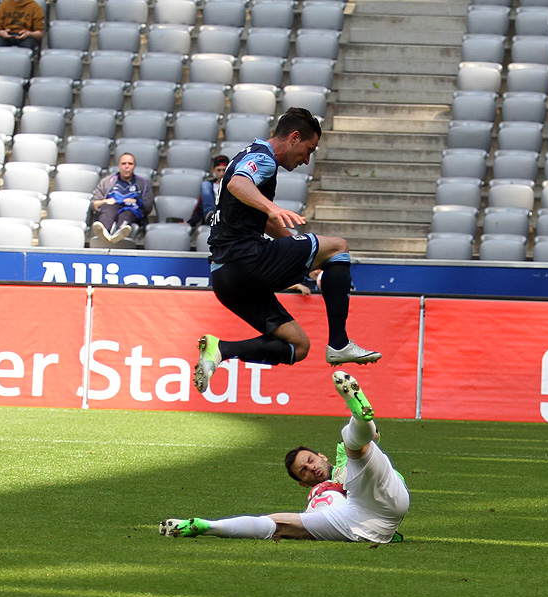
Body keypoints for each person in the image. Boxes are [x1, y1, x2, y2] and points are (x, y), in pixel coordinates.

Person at [193, 107, 380, 394]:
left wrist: (307, 259)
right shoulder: (264, 159)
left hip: (224, 278)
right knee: (338, 246)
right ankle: (340, 343)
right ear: (294, 137)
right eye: (308, 150)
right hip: (246, 261)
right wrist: (272, 206)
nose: (306, 159)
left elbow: (265, 219)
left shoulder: (247, 155)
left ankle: (221, 350)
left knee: (298, 346)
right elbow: (237, 183)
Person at [160, 371, 410, 543]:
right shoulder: (318, 495)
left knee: (355, 447)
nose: (311, 468)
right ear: (302, 483)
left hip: (379, 498)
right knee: (276, 523)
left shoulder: (340, 463)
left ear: (322, 457)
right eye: (303, 471)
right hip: (357, 522)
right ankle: (206, 526)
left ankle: (359, 417)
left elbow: (374, 438)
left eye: (310, 461)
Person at [90, 153, 154, 244]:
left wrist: (137, 202)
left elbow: (148, 207)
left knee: (128, 212)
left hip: (130, 209)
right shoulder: (106, 181)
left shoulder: (143, 183)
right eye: (123, 164)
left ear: (134, 166)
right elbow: (94, 204)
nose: (126, 167)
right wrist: (105, 201)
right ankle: (104, 231)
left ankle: (121, 231)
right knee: (107, 209)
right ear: (119, 165)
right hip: (111, 206)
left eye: (130, 164)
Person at [188, 155, 229, 227]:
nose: (221, 173)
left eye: (224, 170)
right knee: (205, 184)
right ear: (213, 170)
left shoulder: (232, 185)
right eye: (218, 170)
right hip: (210, 220)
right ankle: (211, 215)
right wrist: (190, 223)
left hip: (226, 217)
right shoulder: (208, 186)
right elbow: (200, 206)